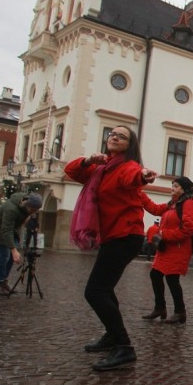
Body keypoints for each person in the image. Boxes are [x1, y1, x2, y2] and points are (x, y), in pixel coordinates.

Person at [65, 125, 157, 371]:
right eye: (112, 134)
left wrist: (144, 175)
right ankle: (112, 336)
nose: (114, 137)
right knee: (105, 289)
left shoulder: (128, 166)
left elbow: (135, 176)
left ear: (130, 145)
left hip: (125, 236)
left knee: (95, 291)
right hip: (113, 236)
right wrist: (86, 160)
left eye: (121, 136)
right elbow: (70, 172)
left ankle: (124, 347)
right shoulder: (102, 168)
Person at [139, 177, 193, 324]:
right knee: (155, 274)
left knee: (172, 279)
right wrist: (140, 193)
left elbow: (188, 228)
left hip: (179, 248)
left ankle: (180, 312)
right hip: (166, 248)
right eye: (172, 186)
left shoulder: (189, 203)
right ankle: (160, 308)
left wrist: (164, 235)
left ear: (184, 189)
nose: (172, 188)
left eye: (176, 186)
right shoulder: (174, 203)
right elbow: (155, 209)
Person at [0, 192, 43, 295]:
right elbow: (6, 229)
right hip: (0, 230)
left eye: (36, 210)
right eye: (33, 210)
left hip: (12, 230)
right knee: (4, 255)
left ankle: (4, 281)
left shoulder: (26, 208)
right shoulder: (11, 209)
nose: (34, 212)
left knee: (10, 258)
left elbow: (18, 224)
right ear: (28, 205)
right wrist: (13, 249)